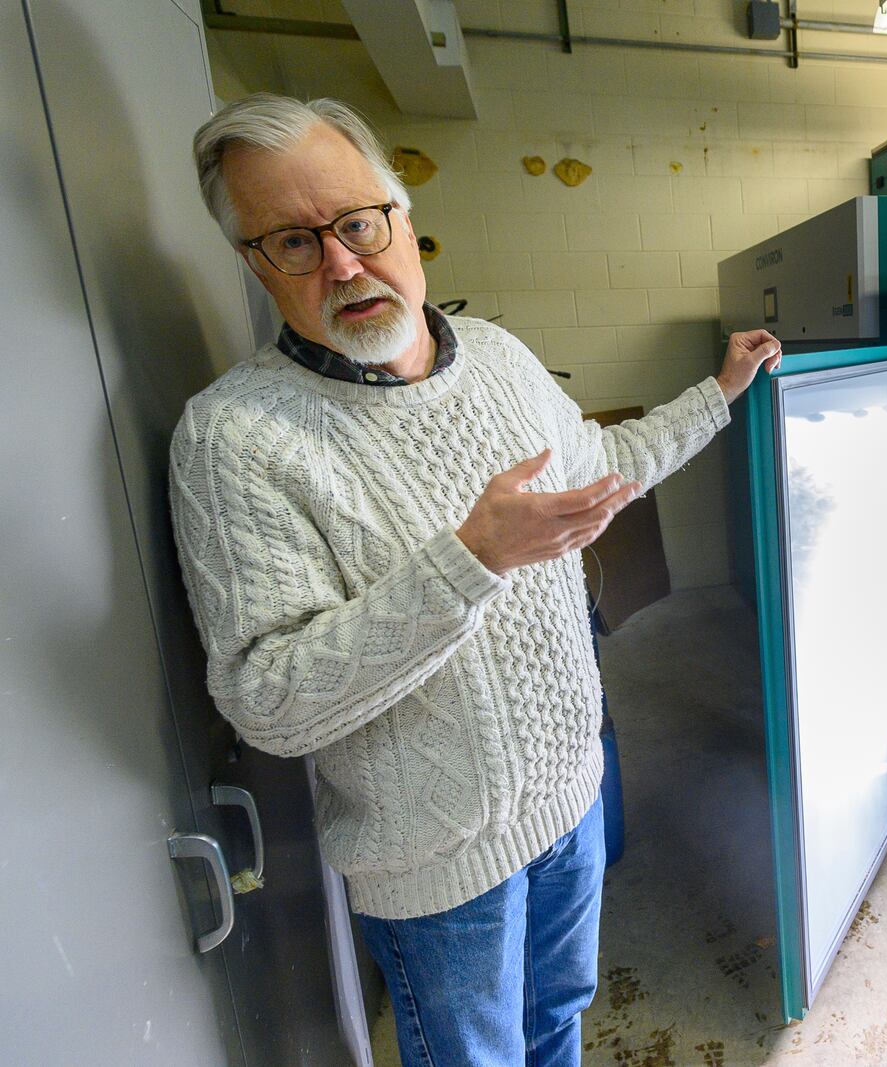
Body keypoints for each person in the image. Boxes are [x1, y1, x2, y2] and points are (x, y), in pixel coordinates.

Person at [171, 93, 781, 1067]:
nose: (339, 261)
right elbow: (269, 700)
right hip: (440, 873)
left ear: (402, 217)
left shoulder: (496, 356)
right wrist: (470, 560)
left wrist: (717, 394)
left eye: (357, 221)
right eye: (291, 239)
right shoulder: (235, 439)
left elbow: (599, 460)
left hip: (572, 799)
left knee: (558, 1025)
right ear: (252, 261)